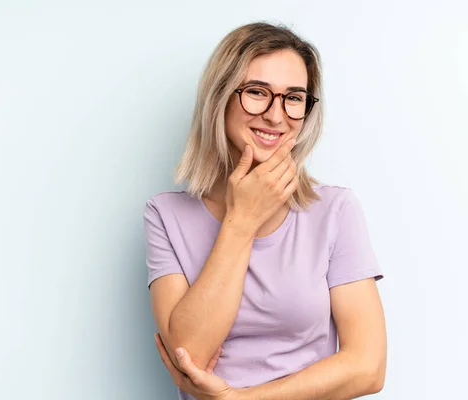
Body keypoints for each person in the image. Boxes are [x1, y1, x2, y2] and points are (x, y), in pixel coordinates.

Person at [144, 22, 387, 400]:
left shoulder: (335, 211)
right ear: (219, 97)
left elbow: (368, 368)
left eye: (294, 97)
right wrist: (242, 220)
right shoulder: (165, 215)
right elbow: (188, 357)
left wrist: (240, 399)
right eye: (257, 93)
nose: (276, 116)